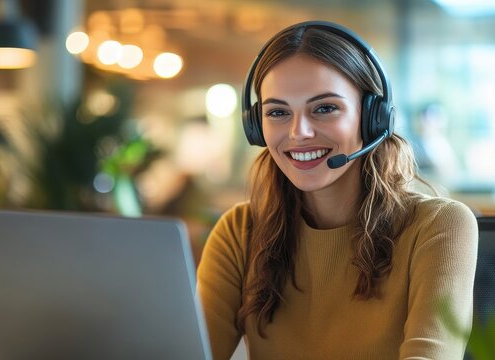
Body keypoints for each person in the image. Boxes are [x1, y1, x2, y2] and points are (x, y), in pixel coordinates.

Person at [196, 21, 478, 359]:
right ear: (257, 127)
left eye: (325, 108)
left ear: (373, 117)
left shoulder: (439, 227)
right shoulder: (239, 233)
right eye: (278, 112)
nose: (299, 132)